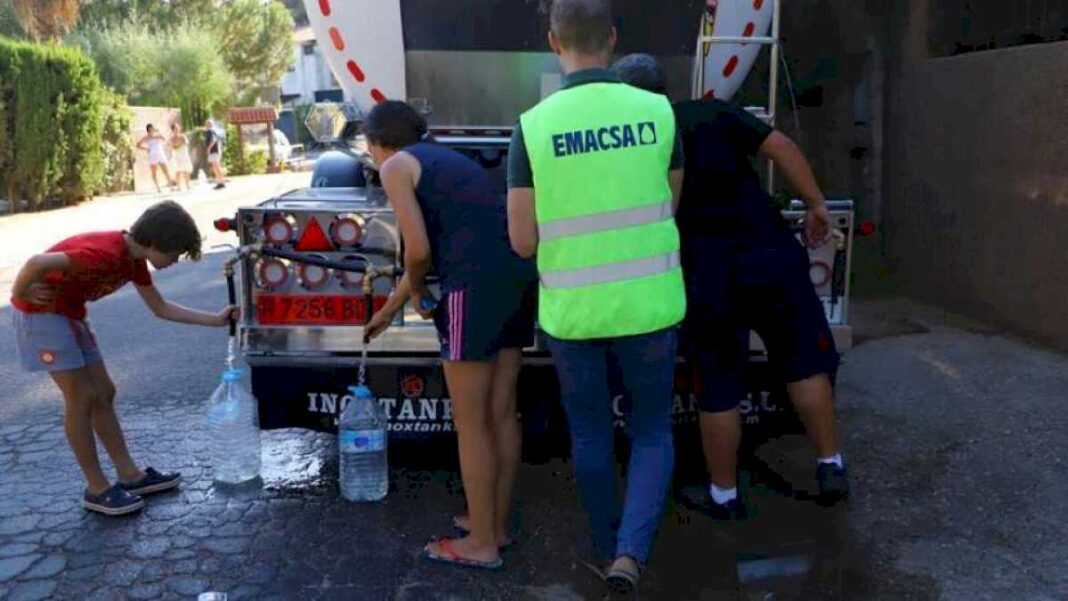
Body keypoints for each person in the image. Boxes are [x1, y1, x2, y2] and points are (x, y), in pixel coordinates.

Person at [612, 54, 850, 518]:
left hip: (707, 271)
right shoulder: (712, 111)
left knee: (719, 385)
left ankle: (725, 495)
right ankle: (830, 465)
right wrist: (816, 204)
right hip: (770, 253)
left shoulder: (635, 139)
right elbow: (780, 146)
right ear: (665, 86)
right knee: (802, 362)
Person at [506, 0, 686, 594]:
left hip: (573, 313)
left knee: (589, 434)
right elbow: (668, 204)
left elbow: (523, 241)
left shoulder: (532, 127)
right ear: (611, 39)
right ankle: (632, 552)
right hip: (650, 306)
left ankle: (608, 546)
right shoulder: (658, 113)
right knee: (652, 430)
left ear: (553, 43)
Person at [363, 101, 537, 571]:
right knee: (502, 412)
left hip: (473, 289)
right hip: (517, 279)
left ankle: (480, 543)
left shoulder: (396, 166)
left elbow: (418, 250)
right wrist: (392, 307)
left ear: (376, 142)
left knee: (471, 421)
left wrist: (413, 290)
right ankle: (494, 526)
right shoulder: (449, 159)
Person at [10, 201, 238, 516]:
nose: (175, 260)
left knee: (104, 392)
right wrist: (21, 293)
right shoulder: (103, 254)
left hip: (69, 316)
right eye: (175, 253)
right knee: (82, 398)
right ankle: (97, 488)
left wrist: (215, 320)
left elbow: (161, 308)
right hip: (43, 317)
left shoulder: (133, 261)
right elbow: (37, 262)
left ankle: (130, 476)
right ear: (157, 243)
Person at [136, 124, 176, 194]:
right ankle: (158, 188)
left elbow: (164, 139)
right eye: (151, 128)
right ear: (149, 129)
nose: (153, 129)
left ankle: (171, 186)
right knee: (154, 172)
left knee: (166, 170)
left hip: (160, 154)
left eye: (153, 128)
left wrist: (158, 134)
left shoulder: (157, 135)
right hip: (153, 155)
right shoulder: (146, 137)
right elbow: (138, 145)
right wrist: (147, 148)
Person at [202, 119, 226, 190]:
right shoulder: (211, 131)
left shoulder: (210, 131)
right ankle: (219, 182)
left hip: (214, 151)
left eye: (207, 124)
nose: (205, 125)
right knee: (215, 167)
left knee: (216, 166)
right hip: (215, 151)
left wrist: (209, 148)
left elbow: (214, 140)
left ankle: (221, 182)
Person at [169, 123, 193, 191]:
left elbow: (186, 143)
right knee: (178, 171)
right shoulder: (172, 138)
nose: (177, 129)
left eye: (177, 128)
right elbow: (172, 147)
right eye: (175, 128)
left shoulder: (182, 136)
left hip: (184, 155)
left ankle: (188, 185)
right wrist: (178, 145)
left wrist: (177, 145)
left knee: (186, 170)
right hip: (177, 156)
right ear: (173, 130)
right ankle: (179, 186)